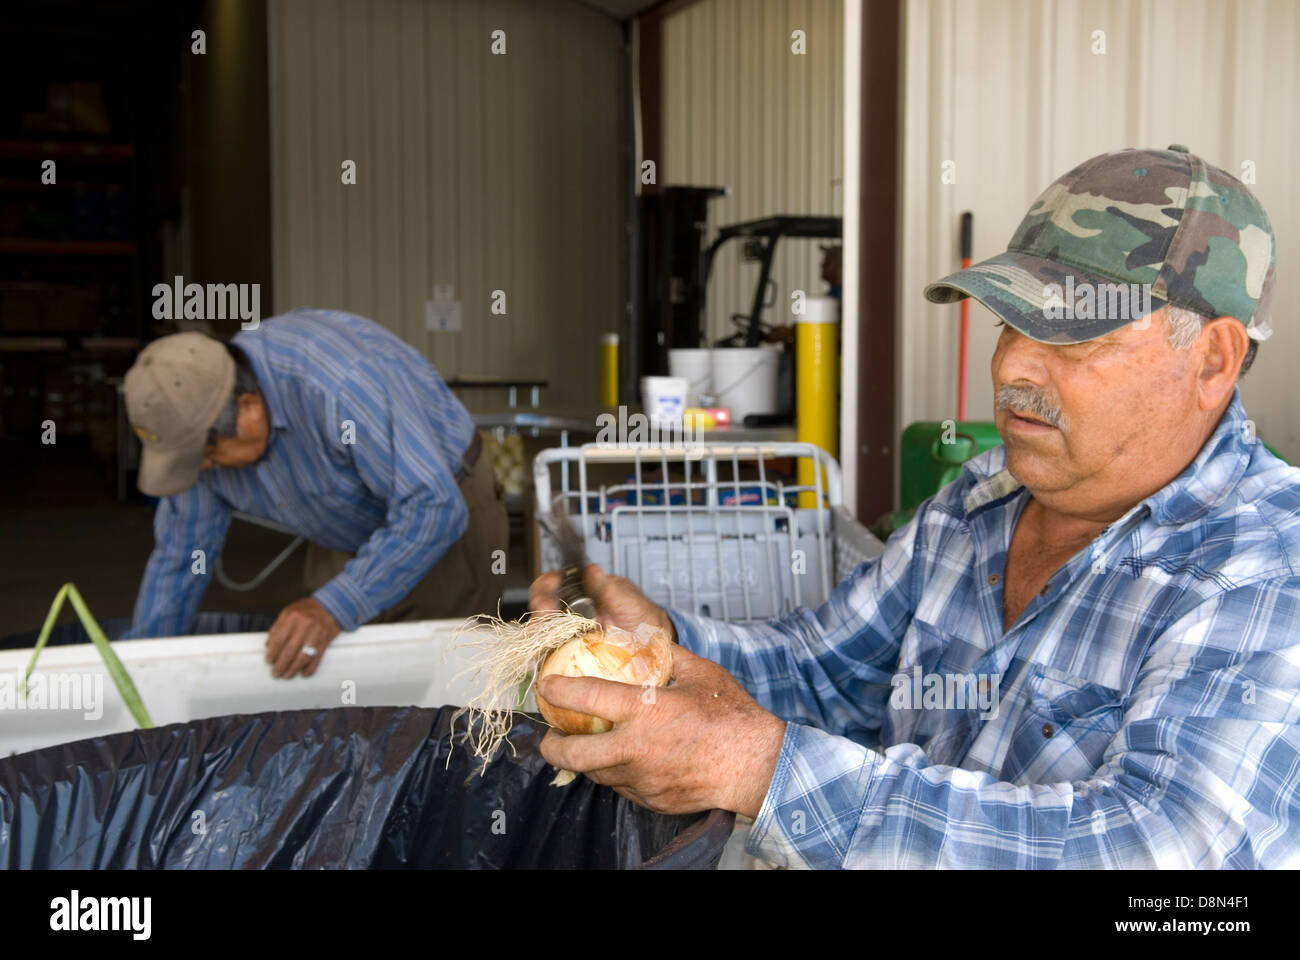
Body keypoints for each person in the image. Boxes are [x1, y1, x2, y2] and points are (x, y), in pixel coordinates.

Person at [529, 146, 1300, 868]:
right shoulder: (979, 503)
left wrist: (764, 771)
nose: (1013, 365)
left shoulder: (1266, 571)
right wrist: (656, 646)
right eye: (1010, 322)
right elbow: (827, 673)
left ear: (1212, 360)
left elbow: (1158, 859)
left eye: (1073, 335)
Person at [123, 307, 508, 678]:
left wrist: (334, 605)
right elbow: (180, 555)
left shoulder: (338, 384)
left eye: (206, 454)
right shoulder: (204, 426)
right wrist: (141, 664)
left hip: (445, 508)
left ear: (248, 407)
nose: (203, 469)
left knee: (444, 681)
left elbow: (435, 508)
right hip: (343, 520)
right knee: (339, 681)